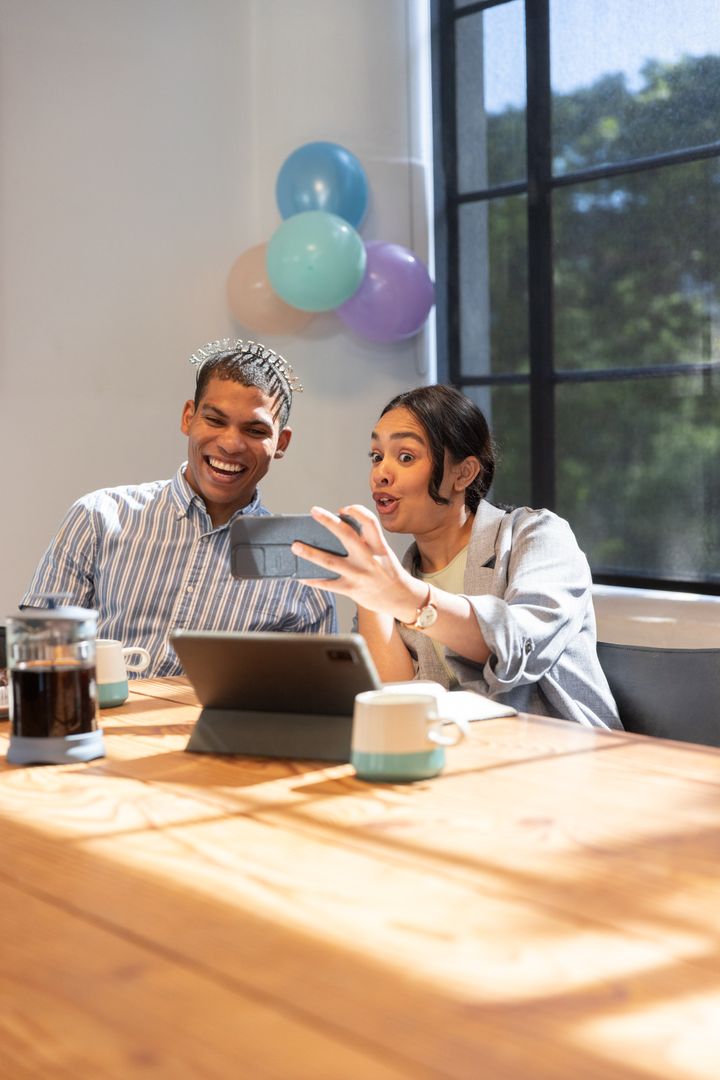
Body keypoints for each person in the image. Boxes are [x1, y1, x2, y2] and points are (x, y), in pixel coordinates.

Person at [291, 384, 621, 730]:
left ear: (463, 473)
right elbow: (398, 699)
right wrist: (369, 595)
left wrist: (409, 599)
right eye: (376, 456)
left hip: (563, 752)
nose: (381, 473)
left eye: (405, 457)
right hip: (456, 757)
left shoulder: (537, 535)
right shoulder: (400, 576)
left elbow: (518, 645)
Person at [21, 339, 336, 676]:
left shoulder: (302, 560)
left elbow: (307, 701)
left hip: (216, 730)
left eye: (255, 430)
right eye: (215, 420)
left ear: (281, 443)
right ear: (189, 417)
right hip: (99, 726)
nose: (230, 443)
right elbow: (38, 659)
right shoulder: (100, 516)